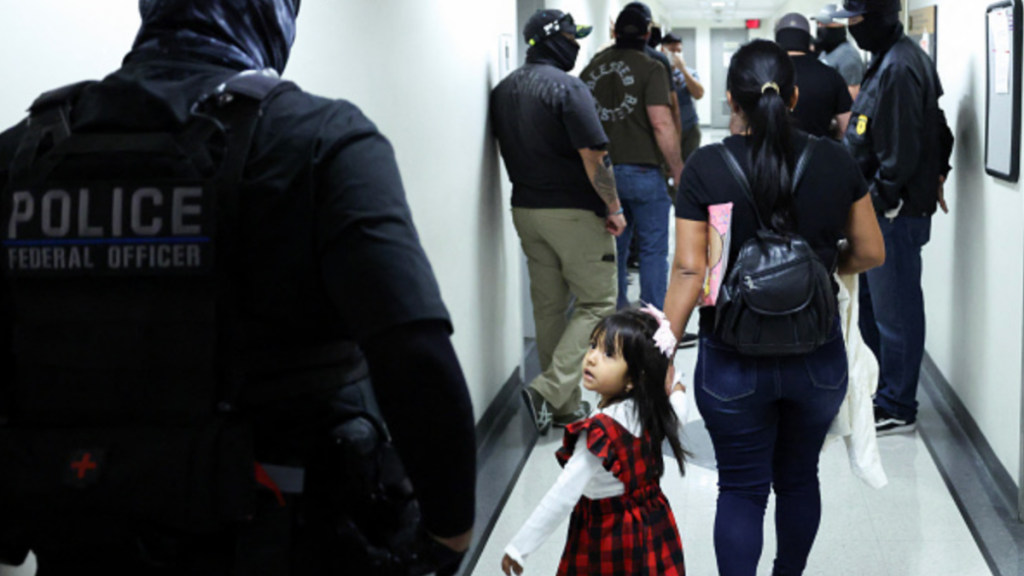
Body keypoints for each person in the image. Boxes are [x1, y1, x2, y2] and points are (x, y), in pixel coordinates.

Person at [0, 1, 475, 574]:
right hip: (284, 536)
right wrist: (450, 534)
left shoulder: (23, 151)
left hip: (84, 536)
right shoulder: (321, 139)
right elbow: (416, 355)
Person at [663, 39, 885, 575]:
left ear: (731, 103)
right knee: (798, 477)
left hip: (733, 359)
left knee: (740, 488)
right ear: (792, 96)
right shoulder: (834, 159)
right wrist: (820, 271)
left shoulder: (706, 167)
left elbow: (691, 270)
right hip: (816, 357)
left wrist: (663, 347)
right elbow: (871, 251)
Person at [491, 9, 622, 435]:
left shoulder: (503, 90)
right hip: (575, 214)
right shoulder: (569, 88)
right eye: (571, 35)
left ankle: (564, 409)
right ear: (551, 39)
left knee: (548, 308)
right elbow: (594, 155)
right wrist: (614, 208)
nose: (578, 43)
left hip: (526, 211)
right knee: (598, 303)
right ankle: (548, 390)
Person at [836, 0, 953, 436]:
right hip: (880, 208)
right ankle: (882, 389)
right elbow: (938, 129)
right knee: (876, 308)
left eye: (855, 18)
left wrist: (876, 204)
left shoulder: (901, 66)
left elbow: (899, 155)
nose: (850, 26)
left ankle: (899, 404)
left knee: (896, 311)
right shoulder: (888, 58)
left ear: (879, 17)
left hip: (893, 211)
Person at [500, 307, 688, 576]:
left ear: (634, 378)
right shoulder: (653, 410)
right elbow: (679, 413)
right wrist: (677, 386)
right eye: (593, 346)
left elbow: (563, 494)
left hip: (609, 534)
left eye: (608, 354)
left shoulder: (600, 432)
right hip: (652, 524)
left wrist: (520, 547)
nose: (591, 358)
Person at [581, 6, 684, 312]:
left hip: (602, 174)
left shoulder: (592, 69)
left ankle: (615, 314)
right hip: (643, 172)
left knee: (615, 249)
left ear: (615, 33)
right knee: (653, 249)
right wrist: (677, 167)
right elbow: (661, 122)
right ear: (647, 35)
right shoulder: (651, 67)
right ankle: (651, 319)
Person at [775, 12, 852, 138]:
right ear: (807, 39)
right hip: (819, 154)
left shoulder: (762, 74)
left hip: (771, 155)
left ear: (778, 39)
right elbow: (846, 128)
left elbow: (740, 128)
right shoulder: (831, 76)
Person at [661, 33, 705, 162]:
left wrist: (683, 69)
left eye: (679, 51)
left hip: (689, 129)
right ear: (663, 50)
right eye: (672, 51)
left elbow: (698, 94)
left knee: (689, 167)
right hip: (665, 130)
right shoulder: (656, 71)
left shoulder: (690, 73)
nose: (676, 54)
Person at [815, 4, 867, 100]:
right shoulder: (826, 52)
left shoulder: (848, 56)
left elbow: (853, 96)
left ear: (839, 25)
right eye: (818, 23)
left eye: (824, 23)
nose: (820, 27)